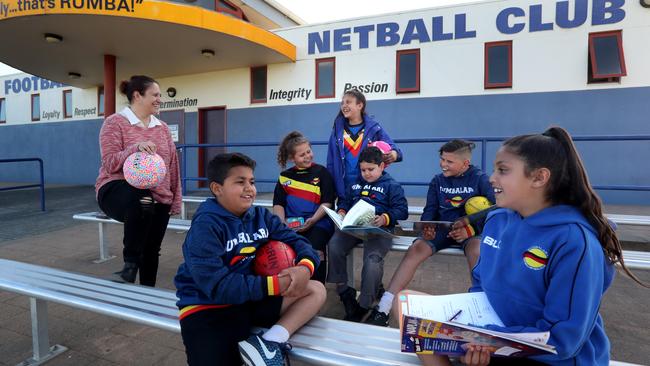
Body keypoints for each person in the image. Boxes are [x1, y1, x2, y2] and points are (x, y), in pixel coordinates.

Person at [418, 127, 646, 366]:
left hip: (549, 357)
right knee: (410, 310)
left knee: (430, 337)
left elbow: (563, 341)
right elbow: (481, 287)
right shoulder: (497, 220)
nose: (492, 178)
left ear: (539, 178)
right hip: (496, 336)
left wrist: (486, 339)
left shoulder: (574, 241)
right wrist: (474, 334)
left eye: (503, 170)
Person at [174, 153, 326, 366]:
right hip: (208, 308)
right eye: (240, 182)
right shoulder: (206, 227)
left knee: (316, 289)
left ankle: (271, 342)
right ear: (217, 188)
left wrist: (304, 268)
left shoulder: (261, 218)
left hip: (249, 299)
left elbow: (298, 242)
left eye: (252, 182)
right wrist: (277, 284)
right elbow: (218, 286)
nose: (249, 188)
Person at [365, 139, 494, 326]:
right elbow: (430, 210)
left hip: (469, 232)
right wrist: (427, 228)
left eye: (449, 161)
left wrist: (471, 227)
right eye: (442, 159)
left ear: (465, 163)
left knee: (477, 250)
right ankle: (384, 308)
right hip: (442, 230)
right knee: (416, 248)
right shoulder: (437, 180)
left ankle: (480, 309)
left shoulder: (480, 178)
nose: (443, 164)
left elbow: (496, 208)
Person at [95, 75, 181, 286]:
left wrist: (175, 199)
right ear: (137, 96)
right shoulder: (115, 123)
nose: (160, 99)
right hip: (115, 190)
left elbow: (172, 165)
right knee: (141, 196)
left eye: (160, 95)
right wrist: (135, 148)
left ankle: (147, 293)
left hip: (158, 197)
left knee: (152, 250)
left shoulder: (162, 127)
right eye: (155, 94)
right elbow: (109, 163)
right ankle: (130, 265)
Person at [327, 146, 408, 322]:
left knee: (372, 261)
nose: (367, 174)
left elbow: (402, 210)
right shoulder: (355, 183)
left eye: (371, 169)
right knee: (334, 245)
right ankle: (344, 291)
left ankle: (364, 305)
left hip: (379, 231)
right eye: (363, 170)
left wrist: (386, 218)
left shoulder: (392, 185)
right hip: (353, 229)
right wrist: (341, 211)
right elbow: (345, 201)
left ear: (381, 166)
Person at [273, 131, 336, 283]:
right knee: (281, 250)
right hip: (291, 225)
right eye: (302, 155)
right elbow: (278, 204)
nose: (307, 156)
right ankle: (292, 285)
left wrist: (313, 220)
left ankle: (317, 286)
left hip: (319, 223)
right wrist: (282, 224)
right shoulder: (284, 177)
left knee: (315, 250)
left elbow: (327, 202)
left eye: (308, 151)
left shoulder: (322, 172)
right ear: (291, 158)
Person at [327, 89, 403, 204]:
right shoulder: (337, 131)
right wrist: (331, 189)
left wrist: (394, 154)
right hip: (344, 190)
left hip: (366, 189)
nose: (344, 105)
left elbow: (394, 148)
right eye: (342, 103)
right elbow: (331, 162)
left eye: (348, 102)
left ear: (360, 105)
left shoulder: (374, 128)